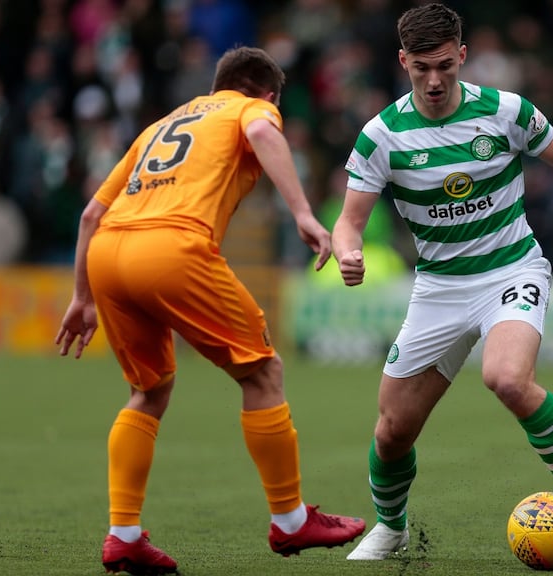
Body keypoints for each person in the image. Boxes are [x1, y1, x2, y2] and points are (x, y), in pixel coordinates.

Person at [332, 3, 553, 561]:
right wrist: (348, 251)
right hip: (439, 288)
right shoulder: (381, 135)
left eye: (445, 67)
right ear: (403, 60)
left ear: (463, 56)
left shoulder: (506, 112)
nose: (434, 81)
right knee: (391, 430)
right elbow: (350, 221)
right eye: (421, 68)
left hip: (510, 269)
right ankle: (392, 528)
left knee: (505, 378)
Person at [54, 46, 365, 575]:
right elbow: (266, 135)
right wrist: (304, 215)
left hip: (107, 254)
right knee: (263, 371)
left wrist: (82, 297)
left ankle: (123, 534)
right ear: (267, 93)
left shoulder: (160, 125)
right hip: (172, 248)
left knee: (148, 390)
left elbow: (90, 214)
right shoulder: (251, 109)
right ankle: (290, 520)